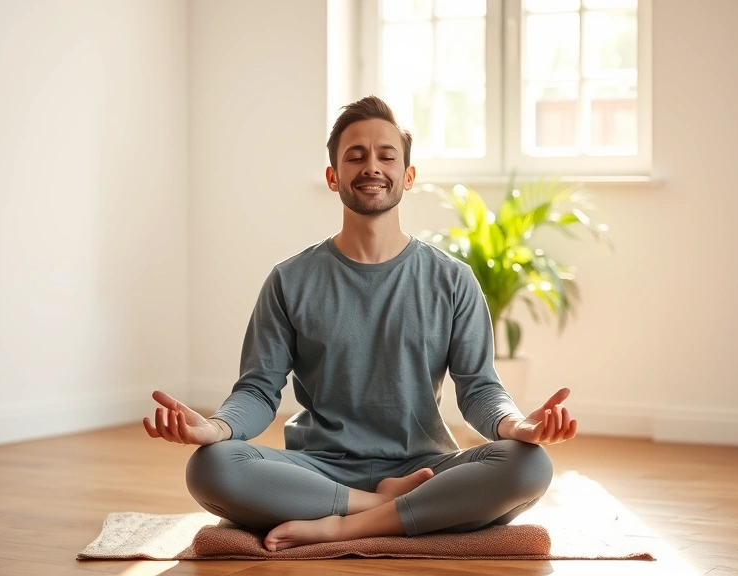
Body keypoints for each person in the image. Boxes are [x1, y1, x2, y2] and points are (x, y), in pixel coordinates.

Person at [143, 95, 578, 552]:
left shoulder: (453, 280)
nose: (372, 166)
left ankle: (342, 524)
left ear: (408, 176)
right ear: (334, 177)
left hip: (425, 469)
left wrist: (514, 425)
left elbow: (480, 388)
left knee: (530, 465)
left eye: (387, 155)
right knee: (211, 467)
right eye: (356, 156)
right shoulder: (290, 279)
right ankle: (381, 508)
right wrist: (215, 429)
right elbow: (257, 389)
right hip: (321, 470)